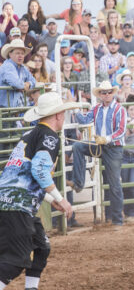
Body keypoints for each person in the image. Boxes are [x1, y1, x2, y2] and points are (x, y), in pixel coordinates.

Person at [0, 92, 79, 290]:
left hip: (10, 203)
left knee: (41, 247)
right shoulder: (49, 137)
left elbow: (21, 175)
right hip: (17, 207)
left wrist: (47, 197)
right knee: (16, 261)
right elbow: (39, 170)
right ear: (58, 115)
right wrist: (61, 198)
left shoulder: (29, 135)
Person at [68, 81, 127, 227]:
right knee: (78, 146)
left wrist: (106, 139)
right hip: (101, 145)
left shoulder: (120, 109)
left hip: (113, 148)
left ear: (113, 93)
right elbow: (84, 120)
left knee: (114, 185)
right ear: (100, 94)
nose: (106, 95)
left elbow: (121, 130)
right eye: (103, 92)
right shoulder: (96, 109)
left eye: (108, 92)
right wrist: (75, 108)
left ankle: (117, 220)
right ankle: (78, 182)